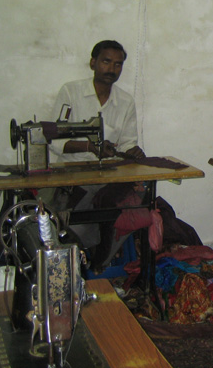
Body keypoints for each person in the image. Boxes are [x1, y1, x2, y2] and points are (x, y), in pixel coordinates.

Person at [49, 40, 145, 272]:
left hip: (107, 174)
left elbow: (128, 142)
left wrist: (134, 153)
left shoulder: (125, 101)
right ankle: (88, 258)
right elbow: (53, 140)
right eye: (106, 61)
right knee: (86, 205)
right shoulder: (71, 92)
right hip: (71, 174)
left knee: (137, 201)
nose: (112, 69)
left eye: (118, 64)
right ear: (93, 63)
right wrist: (89, 148)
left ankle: (98, 261)